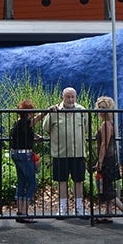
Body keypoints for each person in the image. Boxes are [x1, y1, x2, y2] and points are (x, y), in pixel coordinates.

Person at [43, 86, 88, 218]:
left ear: (76, 97)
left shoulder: (82, 111)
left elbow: (85, 129)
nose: (70, 99)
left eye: (72, 96)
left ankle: (79, 208)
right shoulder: (55, 110)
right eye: (68, 96)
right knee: (62, 181)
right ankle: (63, 208)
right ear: (63, 97)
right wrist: (50, 113)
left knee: (78, 181)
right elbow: (46, 128)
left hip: (77, 152)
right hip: (60, 153)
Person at [92, 96, 123, 224]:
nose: (101, 110)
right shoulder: (110, 123)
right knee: (107, 186)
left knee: (107, 189)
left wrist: (100, 161)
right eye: (100, 107)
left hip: (107, 159)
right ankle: (108, 214)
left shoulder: (106, 124)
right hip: (110, 158)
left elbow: (104, 144)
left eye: (104, 108)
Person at [9, 99, 44, 224]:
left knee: (22, 182)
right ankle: (24, 212)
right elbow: (31, 123)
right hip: (24, 155)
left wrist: (36, 136)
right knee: (32, 182)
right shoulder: (26, 122)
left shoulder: (18, 123)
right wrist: (45, 113)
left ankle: (20, 211)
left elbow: (27, 131)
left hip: (15, 153)